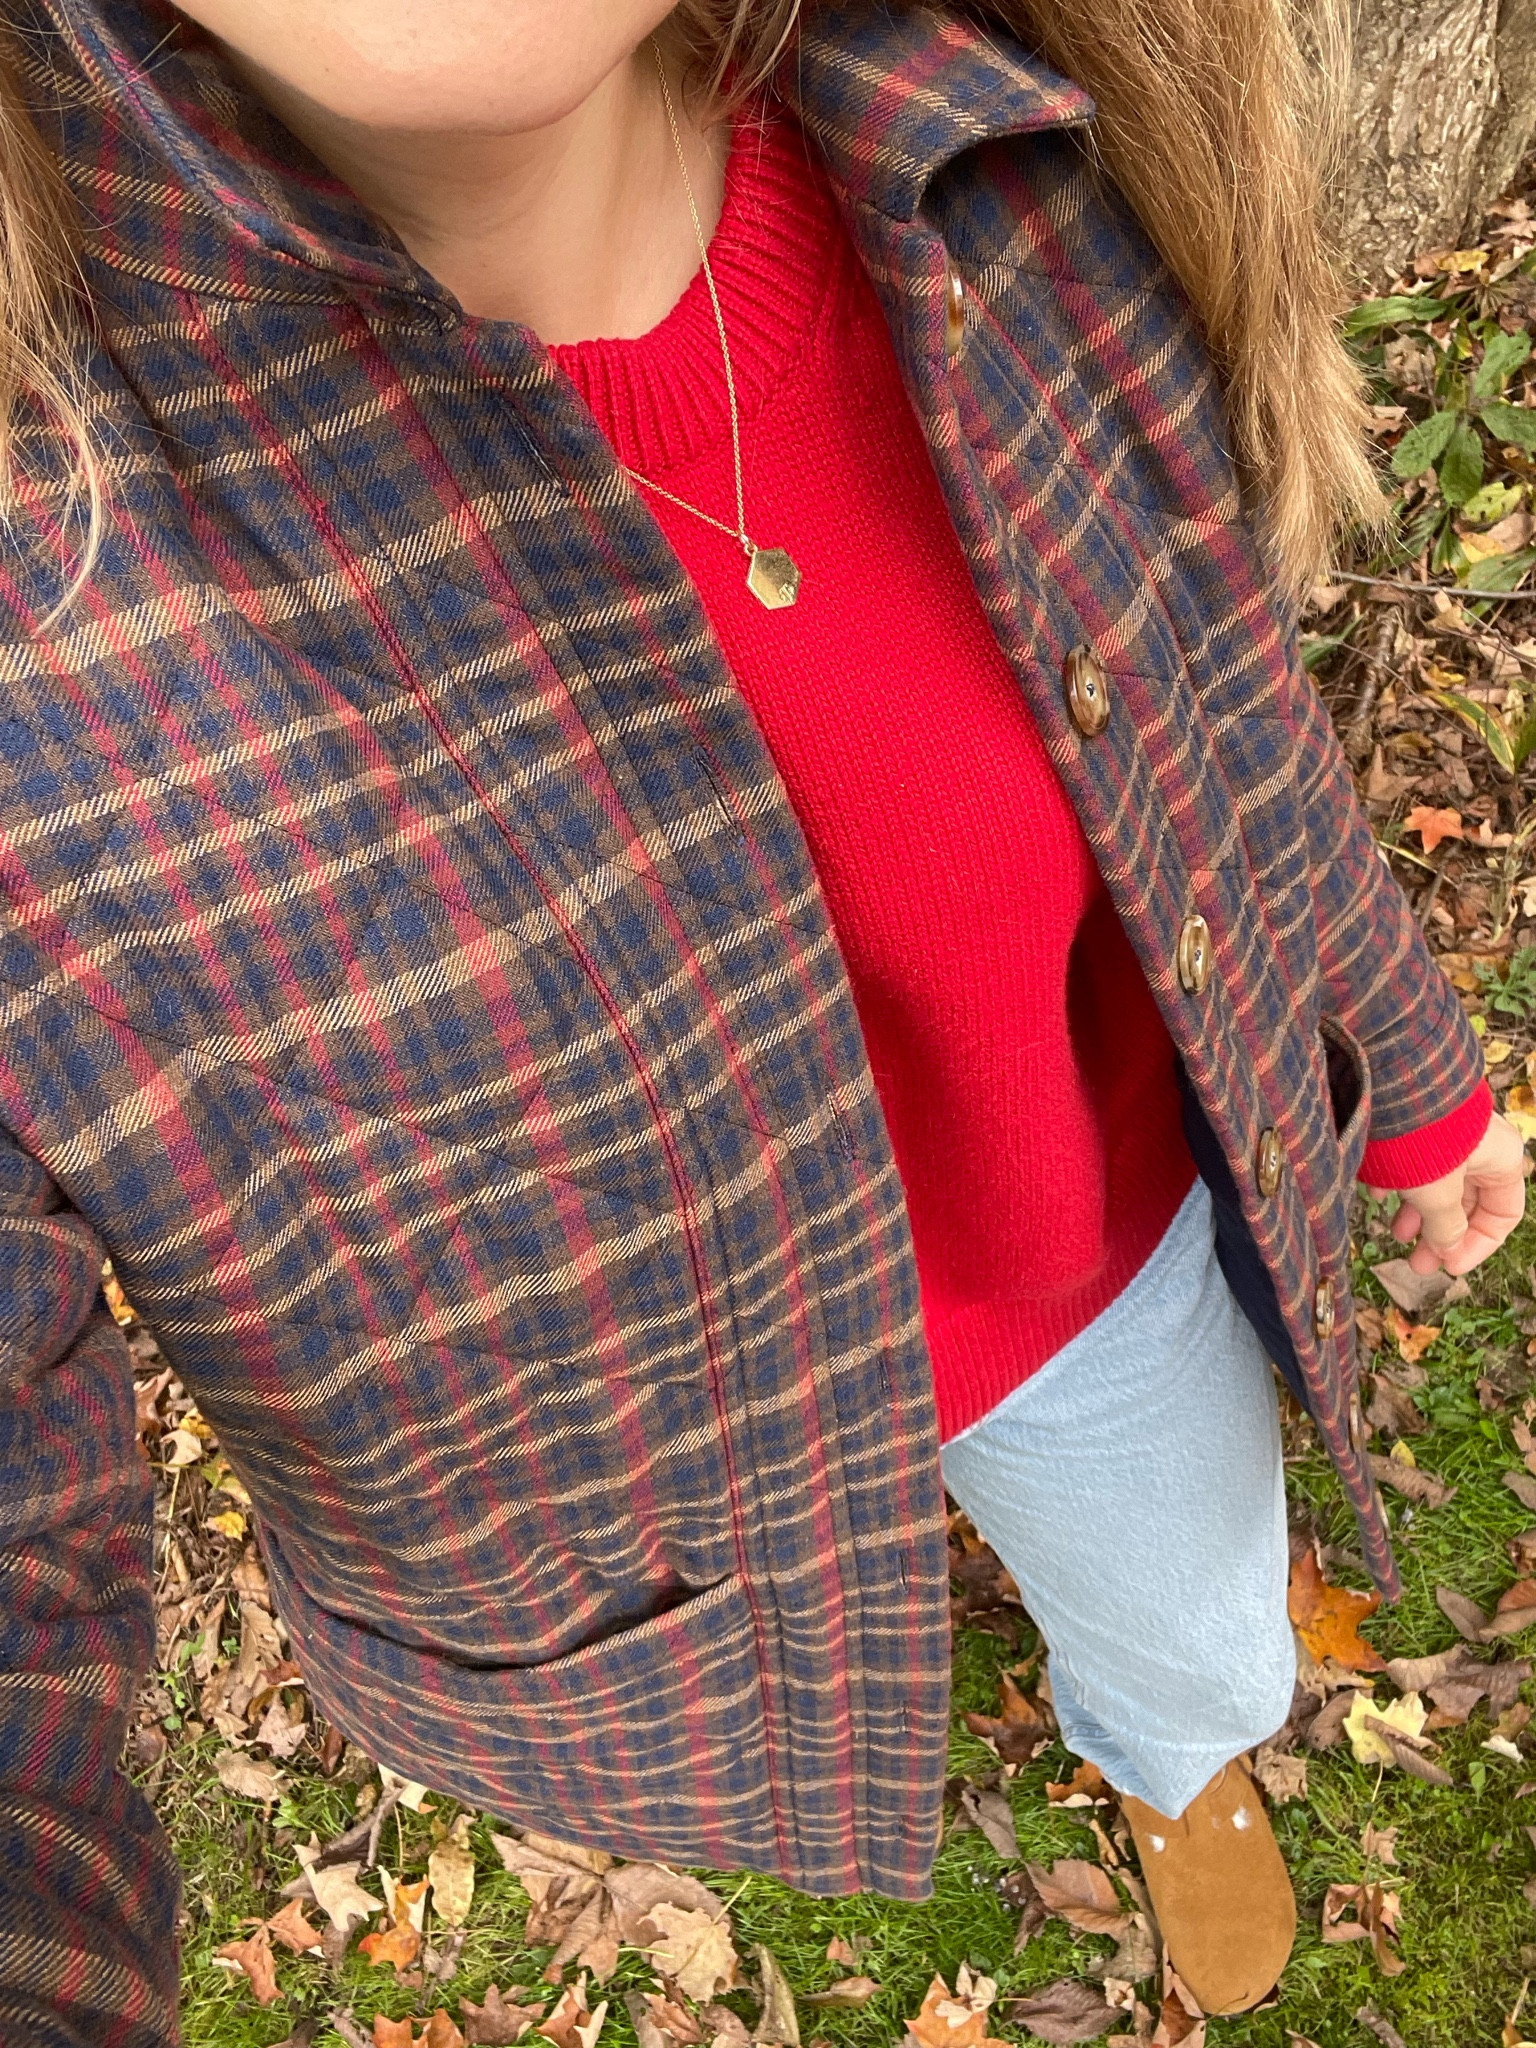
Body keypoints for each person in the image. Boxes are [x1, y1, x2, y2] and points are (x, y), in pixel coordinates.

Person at [0, 0, 1525, 2039]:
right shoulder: (52, 606)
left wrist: (1414, 1075)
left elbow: (1220, 708)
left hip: (1087, 1276)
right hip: (683, 1490)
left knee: (1202, 1629)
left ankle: (1173, 1757)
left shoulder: (986, 152)